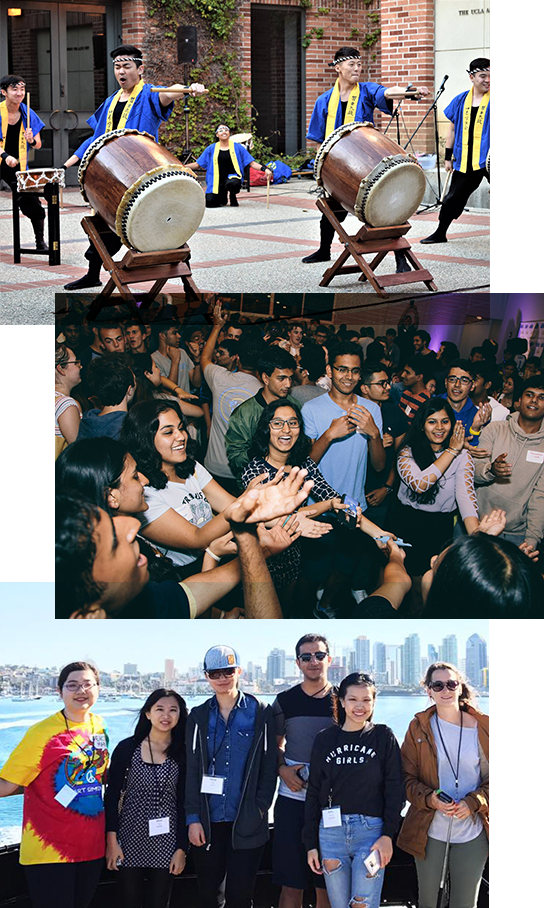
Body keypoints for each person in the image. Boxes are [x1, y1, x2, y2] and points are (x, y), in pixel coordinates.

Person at [63, 45, 206, 289]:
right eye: (117, 67)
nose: (121, 71)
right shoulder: (110, 102)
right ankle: (92, 274)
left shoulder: (148, 94)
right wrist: (67, 164)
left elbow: (168, 93)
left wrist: (188, 90)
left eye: (126, 66)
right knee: (103, 224)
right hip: (115, 174)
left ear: (139, 69)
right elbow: (97, 138)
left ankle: (185, 279)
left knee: (166, 222)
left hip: (144, 170)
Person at [302, 46, 428, 272]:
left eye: (359, 64)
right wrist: (324, 170)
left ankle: (401, 258)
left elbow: (387, 92)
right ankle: (323, 251)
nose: (357, 68)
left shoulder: (367, 91)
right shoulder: (323, 101)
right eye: (352, 64)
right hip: (337, 166)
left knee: (385, 210)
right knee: (330, 212)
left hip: (366, 163)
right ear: (338, 67)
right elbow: (319, 139)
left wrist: (410, 93)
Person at [0, 662, 109, 908]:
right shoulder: (41, 733)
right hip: (48, 850)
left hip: (91, 847)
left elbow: (99, 773)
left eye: (87, 684)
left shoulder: (99, 726)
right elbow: (6, 785)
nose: (81, 690)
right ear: (60, 692)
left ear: (98, 688)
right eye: (72, 685)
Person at [185, 645, 277, 908]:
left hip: (246, 818)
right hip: (208, 820)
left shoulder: (261, 711)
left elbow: (269, 767)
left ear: (239, 671)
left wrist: (260, 808)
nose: (222, 678)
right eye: (215, 673)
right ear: (206, 676)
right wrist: (193, 819)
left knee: (240, 896)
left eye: (228, 671)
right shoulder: (198, 716)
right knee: (208, 895)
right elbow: (192, 771)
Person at [303, 672, 405, 908]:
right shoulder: (325, 739)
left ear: (374, 702)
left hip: (370, 833)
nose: (360, 706)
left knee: (363, 903)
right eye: (353, 699)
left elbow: (395, 789)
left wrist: (388, 835)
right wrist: (310, 844)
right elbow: (314, 792)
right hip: (330, 835)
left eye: (366, 700)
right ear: (341, 701)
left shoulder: (382, 736)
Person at [397, 663, 489, 908]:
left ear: (460, 687)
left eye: (451, 684)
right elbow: (405, 779)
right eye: (438, 685)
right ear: (429, 690)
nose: (445, 690)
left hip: (473, 832)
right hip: (429, 833)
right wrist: (430, 799)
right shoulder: (418, 727)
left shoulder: (484, 727)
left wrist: (472, 803)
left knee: (465, 904)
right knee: (429, 902)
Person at [105, 689, 188, 908]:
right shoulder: (127, 748)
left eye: (173, 710)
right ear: (148, 713)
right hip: (128, 839)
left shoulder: (183, 753)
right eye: (159, 709)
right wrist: (111, 842)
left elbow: (183, 804)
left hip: (166, 842)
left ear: (180, 715)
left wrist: (181, 849)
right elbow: (111, 796)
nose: (166, 715)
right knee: (127, 901)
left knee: (159, 902)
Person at [272, 635, 335, 908]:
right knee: (291, 884)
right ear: (298, 663)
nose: (314, 662)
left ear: (329, 660)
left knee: (327, 884)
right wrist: (282, 769)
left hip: (332, 803)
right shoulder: (284, 701)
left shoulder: (344, 699)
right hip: (292, 801)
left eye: (319, 656)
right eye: (307, 657)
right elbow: (273, 747)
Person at [393, 397, 480, 581]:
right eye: (432, 422)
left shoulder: (462, 456)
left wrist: (478, 538)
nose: (439, 427)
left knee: (430, 580)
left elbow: (466, 499)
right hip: (406, 520)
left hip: (439, 526)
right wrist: (451, 451)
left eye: (445, 421)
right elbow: (419, 485)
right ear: (422, 426)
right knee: (400, 578)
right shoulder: (407, 452)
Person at [421, 59, 490, 244]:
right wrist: (448, 158)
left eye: (490, 76)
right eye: (483, 76)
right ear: (472, 77)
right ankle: (440, 232)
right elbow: (451, 130)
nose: (487, 80)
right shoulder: (460, 100)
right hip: (466, 159)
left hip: (489, 159)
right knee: (453, 198)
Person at [473, 377, 544, 549]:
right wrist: (491, 471)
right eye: (529, 394)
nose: (534, 400)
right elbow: (473, 471)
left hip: (515, 534)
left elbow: (540, 496)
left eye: (542, 397)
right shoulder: (494, 429)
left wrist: (532, 540)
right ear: (519, 401)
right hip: (475, 522)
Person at [201, 302, 263, 495]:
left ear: (237, 358)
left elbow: (204, 358)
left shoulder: (220, 378)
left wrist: (217, 326)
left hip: (214, 468)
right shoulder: (265, 392)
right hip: (247, 472)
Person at [225, 345, 298, 482]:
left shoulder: (295, 406)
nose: (288, 384)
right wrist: (257, 449)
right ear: (266, 378)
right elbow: (236, 460)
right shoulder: (244, 414)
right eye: (281, 378)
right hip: (257, 486)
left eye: (290, 378)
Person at [0, 74, 47, 251]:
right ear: (4, 92)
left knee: (32, 201)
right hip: (3, 159)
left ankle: (40, 241)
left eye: (22, 89)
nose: (19, 93)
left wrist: (31, 140)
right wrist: (5, 156)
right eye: (15, 89)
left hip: (18, 166)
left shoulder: (28, 113)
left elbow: (39, 143)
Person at [187, 125, 272, 207]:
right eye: (220, 130)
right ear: (217, 134)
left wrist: (265, 169)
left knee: (232, 183)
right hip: (216, 181)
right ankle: (223, 196)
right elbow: (197, 164)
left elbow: (252, 163)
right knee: (210, 203)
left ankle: (232, 194)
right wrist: (181, 167)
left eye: (226, 130)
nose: (224, 132)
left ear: (229, 133)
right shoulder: (211, 148)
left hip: (232, 178)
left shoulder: (238, 147)